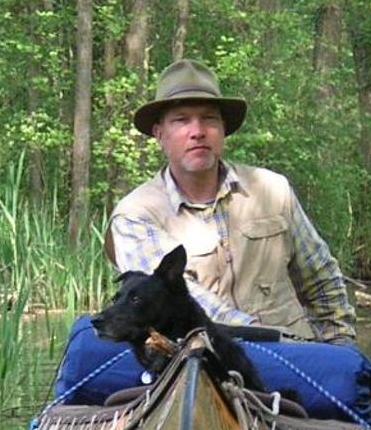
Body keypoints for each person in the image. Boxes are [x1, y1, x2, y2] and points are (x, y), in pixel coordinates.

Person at [108, 58, 356, 343]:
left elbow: (321, 280)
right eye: (181, 120)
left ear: (223, 128)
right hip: (198, 359)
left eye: (209, 118)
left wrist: (340, 348)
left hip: (293, 355)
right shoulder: (135, 214)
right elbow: (187, 301)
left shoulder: (273, 190)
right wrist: (265, 338)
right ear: (159, 134)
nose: (197, 131)